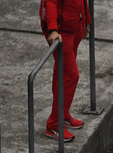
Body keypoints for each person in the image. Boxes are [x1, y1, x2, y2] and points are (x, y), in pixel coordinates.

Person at [42, 0, 91, 142]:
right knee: (71, 75)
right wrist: (52, 29)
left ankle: (62, 115)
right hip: (60, 31)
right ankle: (54, 125)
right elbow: (50, 2)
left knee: (62, 72)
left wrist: (86, 19)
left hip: (75, 25)